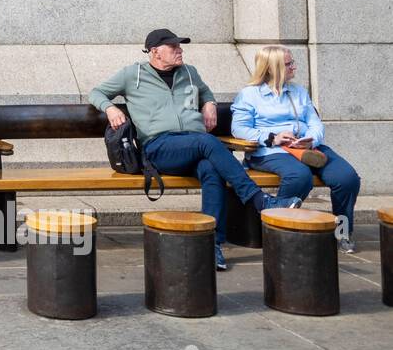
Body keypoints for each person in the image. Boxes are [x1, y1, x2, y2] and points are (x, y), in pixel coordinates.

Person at [89, 29, 299, 271]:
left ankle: (212, 245)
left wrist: (209, 103)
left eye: (180, 46)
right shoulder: (132, 74)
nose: (180, 51)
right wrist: (110, 109)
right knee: (207, 142)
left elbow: (205, 91)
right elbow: (96, 92)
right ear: (155, 52)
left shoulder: (190, 72)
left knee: (211, 170)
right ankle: (259, 199)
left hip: (194, 147)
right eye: (174, 47)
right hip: (159, 146)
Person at [232, 46, 361, 254]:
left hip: (307, 148)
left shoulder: (299, 92)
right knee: (299, 177)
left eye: (292, 62)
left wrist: (311, 139)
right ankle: (281, 232)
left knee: (347, 179)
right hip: (270, 151)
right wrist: (273, 137)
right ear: (272, 68)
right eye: (289, 64)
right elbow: (239, 129)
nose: (294, 67)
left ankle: (342, 233)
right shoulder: (249, 95)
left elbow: (315, 123)